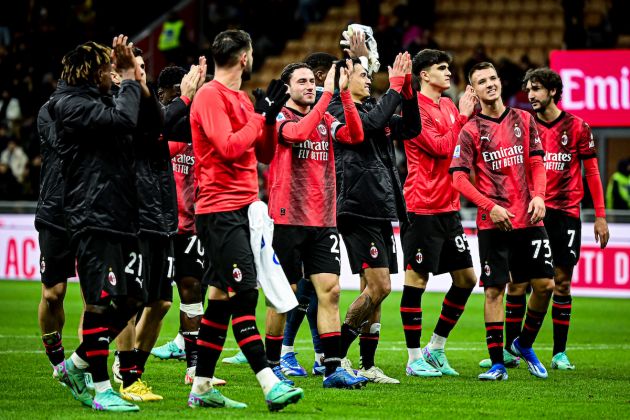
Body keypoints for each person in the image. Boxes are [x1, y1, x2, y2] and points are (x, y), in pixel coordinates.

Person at [188, 29, 303, 411]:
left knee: (220, 300)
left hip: (246, 209)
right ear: (244, 57)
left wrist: (269, 119)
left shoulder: (239, 98)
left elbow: (265, 152)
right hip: (219, 209)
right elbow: (228, 146)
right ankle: (269, 382)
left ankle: (201, 388)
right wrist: (258, 116)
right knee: (246, 293)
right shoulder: (209, 95)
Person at [494, 68, 609, 371]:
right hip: (531, 212)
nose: (530, 95)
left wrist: (600, 217)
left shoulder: (578, 127)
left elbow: (593, 173)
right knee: (517, 284)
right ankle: (509, 351)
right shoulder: (522, 124)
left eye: (536, 89)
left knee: (562, 283)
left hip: (566, 214)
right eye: (528, 90)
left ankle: (559, 353)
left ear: (553, 92)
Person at [52, 35, 144, 411]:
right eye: (108, 70)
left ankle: (75, 364)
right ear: (93, 73)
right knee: (101, 303)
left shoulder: (101, 99)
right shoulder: (69, 105)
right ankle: (102, 390)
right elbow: (124, 120)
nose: (113, 76)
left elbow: (138, 122)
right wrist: (130, 79)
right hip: (92, 216)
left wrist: (132, 80)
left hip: (121, 215)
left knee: (133, 298)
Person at [450, 62, 554, 381]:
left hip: (529, 217)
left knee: (546, 285)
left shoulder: (524, 119)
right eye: (482, 81)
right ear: (474, 90)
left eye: (493, 78)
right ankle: (497, 362)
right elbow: (458, 179)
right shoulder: (470, 131)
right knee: (495, 290)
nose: (490, 84)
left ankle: (522, 343)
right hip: (493, 224)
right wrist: (489, 205)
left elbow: (537, 162)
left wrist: (539, 195)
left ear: (500, 82)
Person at [266, 60, 368, 389]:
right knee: (285, 296)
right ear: (287, 88)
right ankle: (272, 364)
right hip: (287, 218)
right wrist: (327, 95)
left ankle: (333, 367)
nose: (311, 86)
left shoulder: (325, 117)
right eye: (303, 82)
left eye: (314, 81)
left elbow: (355, 134)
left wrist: (344, 96)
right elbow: (297, 134)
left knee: (332, 292)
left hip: (323, 219)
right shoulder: (281, 117)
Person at [329, 52, 420, 384]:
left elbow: (409, 127)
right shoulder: (336, 110)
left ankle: (367, 365)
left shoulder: (370, 109)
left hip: (379, 206)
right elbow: (365, 130)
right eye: (362, 74)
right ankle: (334, 357)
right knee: (380, 286)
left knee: (375, 289)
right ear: (344, 79)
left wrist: (407, 94)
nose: (369, 79)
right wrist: (395, 86)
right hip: (356, 205)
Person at [400, 49, 478, 378]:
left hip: (449, 207)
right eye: (441, 68)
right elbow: (441, 147)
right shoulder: (413, 109)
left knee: (466, 279)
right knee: (417, 280)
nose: (448, 73)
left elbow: (459, 151)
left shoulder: (447, 105)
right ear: (424, 75)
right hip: (422, 206)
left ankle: (436, 347)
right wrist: (463, 117)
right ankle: (413, 357)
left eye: (448, 67)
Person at [36, 79, 75, 381]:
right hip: (55, 211)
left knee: (97, 296)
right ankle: (57, 360)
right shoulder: (48, 110)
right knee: (53, 293)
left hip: (91, 211)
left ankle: (91, 365)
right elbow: (61, 143)